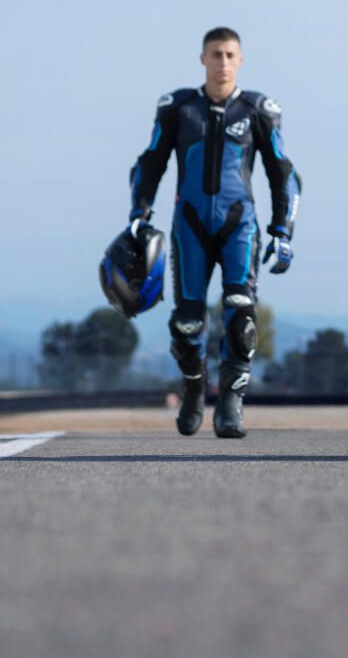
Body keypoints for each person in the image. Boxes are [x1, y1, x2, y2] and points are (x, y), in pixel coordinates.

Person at [128, 27, 300, 438]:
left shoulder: (259, 110)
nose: (222, 62)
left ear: (241, 60)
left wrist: (283, 229)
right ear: (201, 59)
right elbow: (150, 162)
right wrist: (139, 213)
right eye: (215, 55)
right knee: (187, 322)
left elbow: (284, 174)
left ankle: (230, 407)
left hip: (239, 224)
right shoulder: (178, 108)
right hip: (188, 225)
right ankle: (193, 388)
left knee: (240, 315)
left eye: (229, 55)